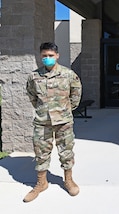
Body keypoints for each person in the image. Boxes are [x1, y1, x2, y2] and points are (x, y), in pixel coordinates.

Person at [24, 42, 82, 202]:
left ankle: (68, 180)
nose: (47, 58)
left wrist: (66, 110)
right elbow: (32, 96)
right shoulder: (34, 76)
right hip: (42, 122)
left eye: (50, 55)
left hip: (64, 121)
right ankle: (41, 183)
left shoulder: (68, 74)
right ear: (40, 56)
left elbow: (76, 95)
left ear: (57, 56)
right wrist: (43, 110)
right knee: (41, 153)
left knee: (66, 151)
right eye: (44, 56)